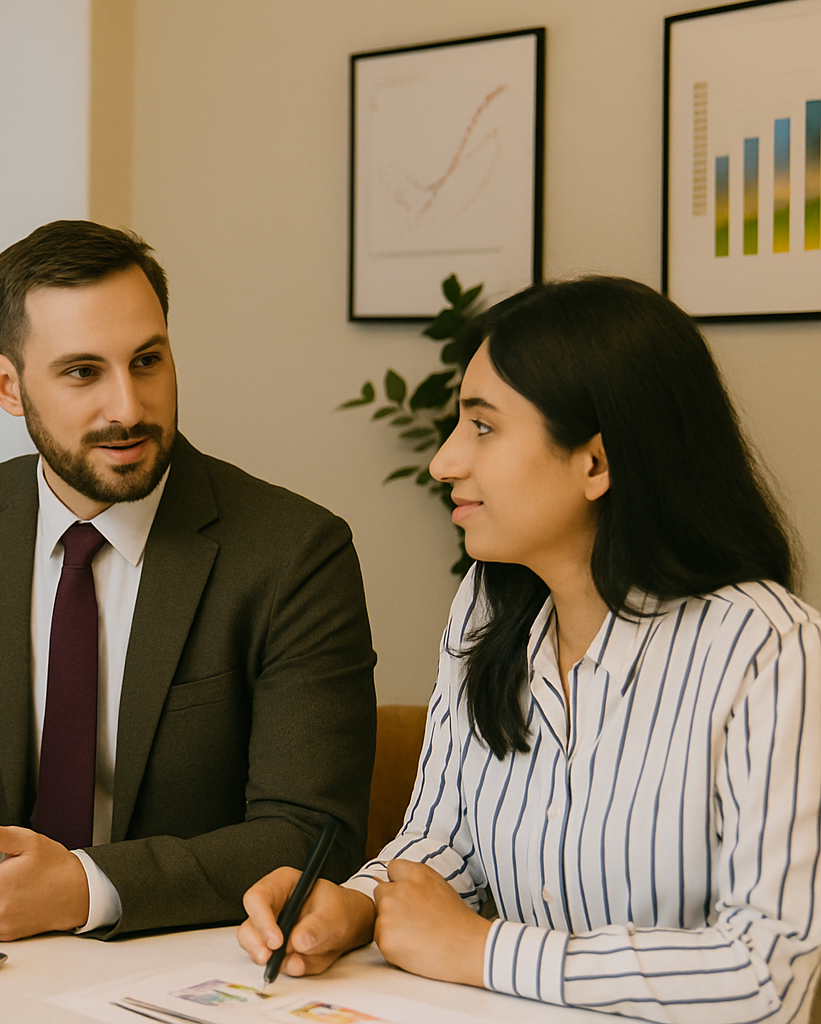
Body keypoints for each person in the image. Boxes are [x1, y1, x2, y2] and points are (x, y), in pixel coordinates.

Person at [238, 276, 821, 1023]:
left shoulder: (770, 653)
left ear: (597, 463)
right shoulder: (487, 605)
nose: (444, 462)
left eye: (482, 427)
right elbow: (441, 842)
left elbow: (766, 979)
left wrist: (482, 951)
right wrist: (352, 906)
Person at [0, 220, 377, 941]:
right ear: (8, 386)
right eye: (83, 372)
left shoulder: (295, 552)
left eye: (147, 361)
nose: (129, 407)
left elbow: (312, 832)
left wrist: (86, 891)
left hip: (190, 954)